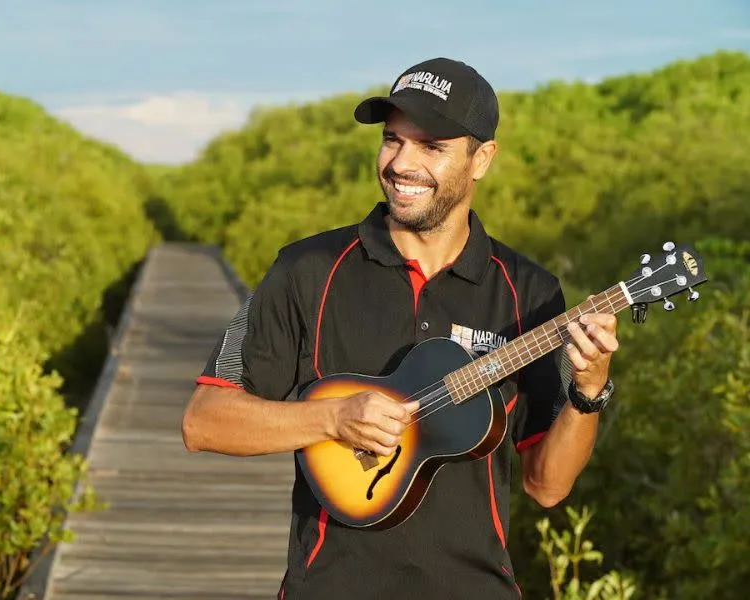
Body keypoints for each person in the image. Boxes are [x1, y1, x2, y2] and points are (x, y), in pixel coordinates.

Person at [181, 57, 619, 600]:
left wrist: (588, 390)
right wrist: (334, 417)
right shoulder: (306, 270)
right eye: (392, 140)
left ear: (481, 159)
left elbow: (547, 486)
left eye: (431, 146)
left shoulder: (528, 292)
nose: (401, 163)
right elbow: (204, 422)